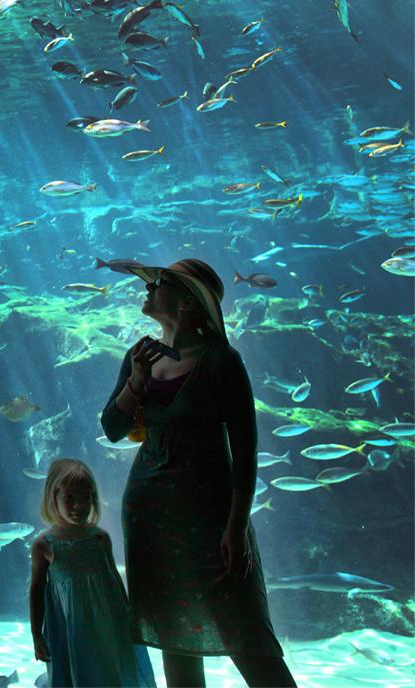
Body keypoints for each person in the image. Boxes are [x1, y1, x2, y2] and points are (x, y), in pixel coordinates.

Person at [100, 258, 298, 687]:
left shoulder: (223, 361)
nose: (150, 288)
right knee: (174, 631)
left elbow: (246, 453)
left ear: (189, 302)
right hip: (150, 517)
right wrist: (135, 380)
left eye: (161, 283)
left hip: (211, 517)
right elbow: (112, 429)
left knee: (247, 632)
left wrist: (236, 526)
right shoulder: (140, 355)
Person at [29, 458, 157, 687]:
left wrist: (130, 619)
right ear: (53, 498)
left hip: (108, 625)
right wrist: (36, 635)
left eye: (85, 498)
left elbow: (114, 581)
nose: (78, 505)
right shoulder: (44, 544)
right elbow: (36, 590)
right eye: (69, 498)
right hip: (70, 628)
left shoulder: (100, 538)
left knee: (111, 672)